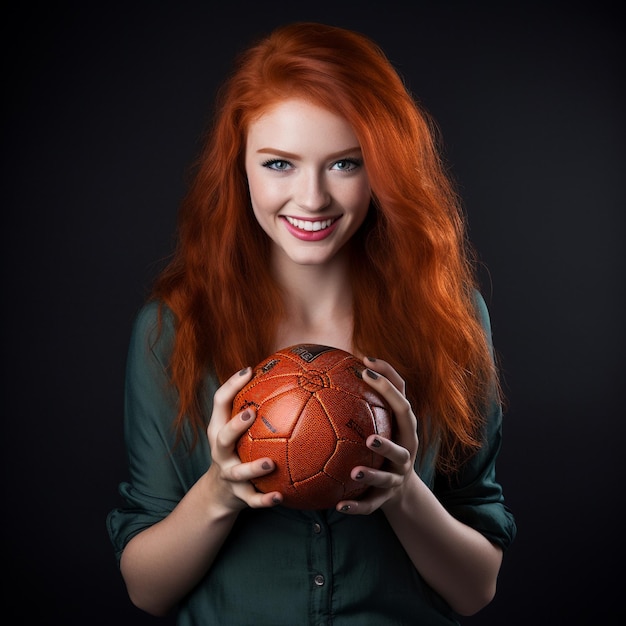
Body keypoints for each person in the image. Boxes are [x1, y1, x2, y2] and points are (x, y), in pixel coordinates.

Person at [107, 21, 516, 625]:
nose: (313, 198)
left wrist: (404, 494)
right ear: (238, 166)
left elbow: (475, 588)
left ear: (383, 170)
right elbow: (147, 590)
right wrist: (219, 491)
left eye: (345, 164)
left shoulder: (447, 318)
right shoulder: (172, 331)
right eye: (279, 164)